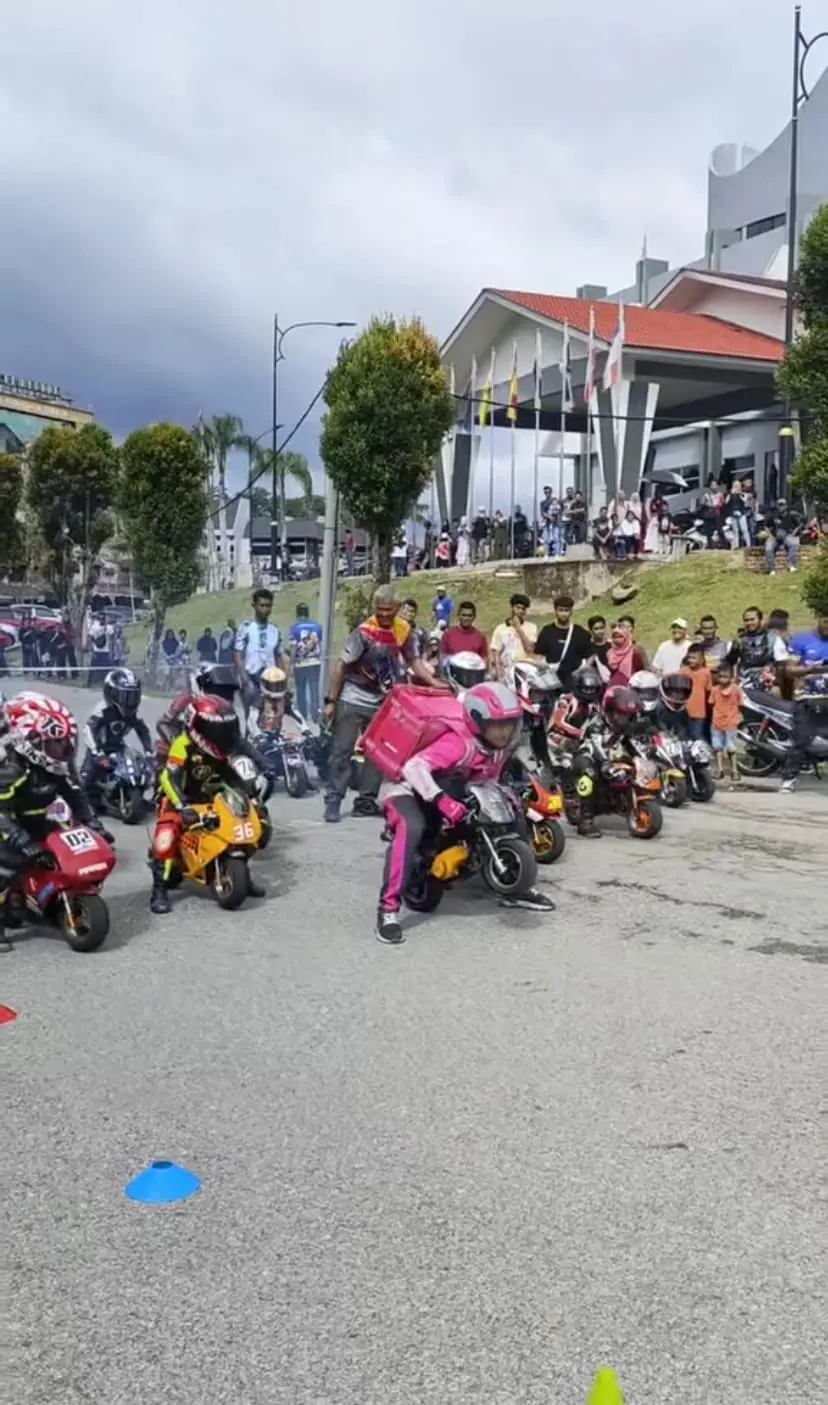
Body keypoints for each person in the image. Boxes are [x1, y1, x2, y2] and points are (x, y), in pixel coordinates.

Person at [376, 681, 554, 943]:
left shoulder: (498, 747)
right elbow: (414, 768)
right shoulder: (459, 743)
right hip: (406, 787)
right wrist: (441, 800)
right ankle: (387, 911)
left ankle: (516, 889)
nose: (504, 732)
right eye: (497, 726)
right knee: (411, 827)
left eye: (508, 725)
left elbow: (487, 778)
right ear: (477, 721)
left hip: (450, 784)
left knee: (512, 814)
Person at [322, 584, 440, 823]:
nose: (384, 614)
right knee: (341, 751)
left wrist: (432, 681)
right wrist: (331, 701)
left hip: (383, 700)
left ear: (397, 608)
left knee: (377, 755)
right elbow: (341, 666)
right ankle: (333, 800)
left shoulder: (404, 630)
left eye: (388, 609)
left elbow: (413, 660)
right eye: (379, 609)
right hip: (352, 697)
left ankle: (365, 801)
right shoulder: (364, 631)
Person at [0, 697, 112, 942]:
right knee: (8, 866)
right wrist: (20, 839)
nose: (62, 750)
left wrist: (93, 824)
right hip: (9, 828)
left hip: (41, 822)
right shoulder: (11, 770)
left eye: (64, 743)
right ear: (32, 743)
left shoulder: (55, 768)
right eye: (55, 744)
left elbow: (75, 796)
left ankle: (48, 898)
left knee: (64, 854)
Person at [149, 695, 258, 914]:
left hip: (209, 798)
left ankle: (243, 876)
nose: (222, 735)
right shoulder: (182, 745)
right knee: (166, 836)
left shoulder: (221, 750)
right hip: (178, 799)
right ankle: (159, 890)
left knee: (246, 822)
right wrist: (181, 806)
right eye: (216, 729)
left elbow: (231, 776)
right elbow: (168, 779)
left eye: (226, 729)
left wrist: (251, 797)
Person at [570, 683, 641, 838]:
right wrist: (605, 763)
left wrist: (641, 758)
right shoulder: (596, 725)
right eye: (619, 714)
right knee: (588, 776)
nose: (623, 719)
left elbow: (630, 744)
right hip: (587, 756)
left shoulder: (623, 728)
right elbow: (596, 747)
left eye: (627, 715)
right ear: (609, 710)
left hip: (608, 756)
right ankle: (585, 821)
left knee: (629, 769)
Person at [779, 605, 828, 793]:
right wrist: (812, 669)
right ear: (819, 618)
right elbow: (789, 670)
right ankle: (789, 778)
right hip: (807, 698)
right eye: (825, 621)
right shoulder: (801, 640)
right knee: (801, 739)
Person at [80, 668, 153, 791]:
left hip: (119, 746)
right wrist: (97, 753)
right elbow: (88, 730)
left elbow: (143, 731)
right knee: (85, 779)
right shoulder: (102, 710)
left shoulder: (134, 713)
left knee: (139, 769)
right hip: (98, 748)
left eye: (133, 696)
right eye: (124, 696)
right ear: (110, 693)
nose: (129, 702)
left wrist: (149, 752)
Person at [234, 588, 286, 725]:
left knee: (271, 716)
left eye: (268, 606)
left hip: (270, 678)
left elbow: (279, 655)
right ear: (255, 606)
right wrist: (245, 679)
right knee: (251, 717)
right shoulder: (246, 627)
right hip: (251, 676)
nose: (265, 609)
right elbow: (238, 654)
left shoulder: (274, 630)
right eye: (262, 605)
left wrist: (284, 679)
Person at [531, 594, 593, 688]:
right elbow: (538, 656)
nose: (564, 613)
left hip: (574, 682)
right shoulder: (547, 631)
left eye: (567, 610)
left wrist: (581, 672)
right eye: (561, 610)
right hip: (551, 682)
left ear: (571, 611)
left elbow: (590, 656)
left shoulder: (580, 633)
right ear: (555, 611)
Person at [729, 606, 789, 685]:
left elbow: (782, 663)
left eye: (752, 619)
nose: (749, 623)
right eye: (746, 620)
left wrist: (771, 669)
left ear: (760, 620)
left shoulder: (774, 639)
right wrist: (735, 648)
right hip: (744, 682)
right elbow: (730, 663)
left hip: (768, 681)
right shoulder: (738, 640)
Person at [489, 594, 538, 689]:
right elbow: (496, 653)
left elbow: (529, 649)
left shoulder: (531, 627)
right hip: (506, 673)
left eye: (523, 609)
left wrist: (518, 628)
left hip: (525, 672)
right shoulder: (500, 628)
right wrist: (499, 677)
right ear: (512, 607)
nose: (520, 611)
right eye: (517, 608)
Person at [709, 664, 743, 787]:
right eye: (720, 676)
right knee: (717, 748)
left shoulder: (736, 690)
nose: (722, 679)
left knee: (731, 748)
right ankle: (720, 769)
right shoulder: (714, 690)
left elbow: (740, 704)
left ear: (732, 678)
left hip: (731, 723)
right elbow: (712, 703)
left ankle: (734, 770)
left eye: (726, 677)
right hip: (717, 722)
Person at [288, 603, 323, 722]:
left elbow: (293, 647)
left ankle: (303, 715)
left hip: (301, 663)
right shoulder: (317, 626)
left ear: (297, 613)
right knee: (314, 689)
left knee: (301, 689)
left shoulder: (294, 627)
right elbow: (319, 644)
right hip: (315, 662)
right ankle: (315, 715)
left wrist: (291, 664)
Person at [680, 643, 712, 741]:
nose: (691, 660)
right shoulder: (683, 671)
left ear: (701, 659)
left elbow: (709, 692)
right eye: (689, 657)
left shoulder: (706, 673)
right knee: (684, 739)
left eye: (694, 658)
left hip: (699, 714)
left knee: (697, 739)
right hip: (683, 711)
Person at [762, 499, 801, 575]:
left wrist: (793, 534)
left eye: (782, 505)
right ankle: (772, 569)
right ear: (777, 506)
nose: (781, 507)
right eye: (779, 505)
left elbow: (798, 525)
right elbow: (766, 526)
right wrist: (769, 535)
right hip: (774, 537)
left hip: (787, 535)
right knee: (768, 548)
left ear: (786, 506)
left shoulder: (790, 515)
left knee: (793, 544)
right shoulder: (773, 515)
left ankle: (792, 566)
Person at [604, 622, 647, 687]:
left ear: (626, 637)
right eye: (615, 637)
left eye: (621, 636)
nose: (617, 639)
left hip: (631, 687)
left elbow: (640, 672)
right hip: (613, 688)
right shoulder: (609, 653)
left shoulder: (634, 653)